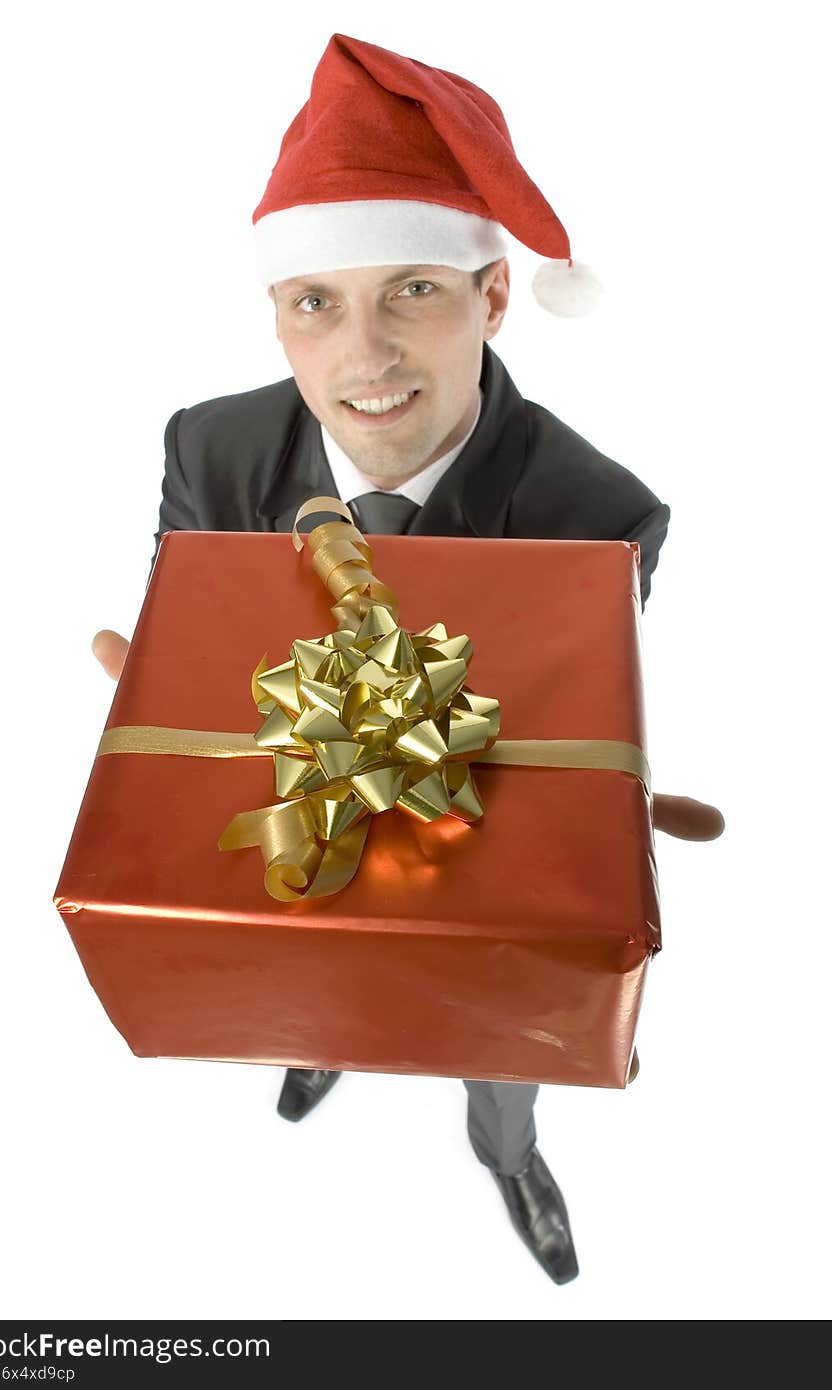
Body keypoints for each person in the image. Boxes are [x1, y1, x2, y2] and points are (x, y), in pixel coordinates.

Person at [92, 34, 724, 1285]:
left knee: (498, 1024)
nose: (362, 357)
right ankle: (314, 1032)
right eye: (315, 302)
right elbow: (199, 634)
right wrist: (168, 709)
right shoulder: (208, 448)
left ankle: (508, 1150)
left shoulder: (602, 512)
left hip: (468, 819)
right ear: (278, 313)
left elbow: (548, 728)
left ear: (491, 300)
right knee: (315, 955)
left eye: (413, 291)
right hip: (295, 810)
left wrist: (601, 825)